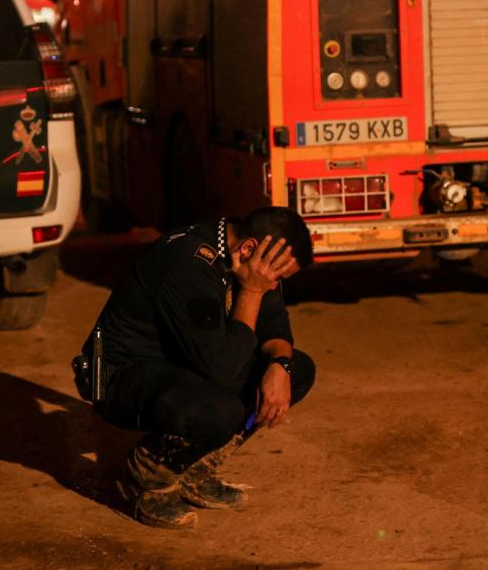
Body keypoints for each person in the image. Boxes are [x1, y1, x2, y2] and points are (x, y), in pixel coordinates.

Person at [75, 206, 316, 529]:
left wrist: (280, 366)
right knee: (221, 409)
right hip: (121, 376)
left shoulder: (252, 260)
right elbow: (224, 370)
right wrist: (252, 291)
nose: (275, 286)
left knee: (296, 370)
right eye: (276, 277)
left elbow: (275, 329)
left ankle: (194, 468)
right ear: (248, 249)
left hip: (182, 366)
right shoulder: (188, 262)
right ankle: (145, 478)